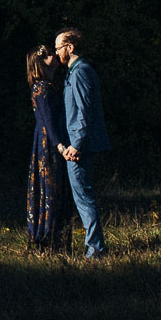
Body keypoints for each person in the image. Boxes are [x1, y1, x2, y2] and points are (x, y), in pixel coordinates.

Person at [55, 27, 110, 258]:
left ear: (70, 47)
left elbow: (84, 112)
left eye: (59, 47)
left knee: (84, 198)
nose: (56, 52)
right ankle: (93, 246)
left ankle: (95, 249)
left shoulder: (80, 72)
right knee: (81, 197)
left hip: (81, 147)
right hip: (77, 144)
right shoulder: (73, 72)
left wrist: (76, 144)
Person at [24, 44, 68, 249]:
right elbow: (48, 121)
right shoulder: (42, 87)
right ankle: (46, 237)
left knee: (52, 188)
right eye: (49, 54)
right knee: (50, 187)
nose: (54, 55)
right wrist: (59, 145)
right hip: (48, 144)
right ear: (41, 62)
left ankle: (50, 237)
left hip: (47, 141)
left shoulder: (47, 86)